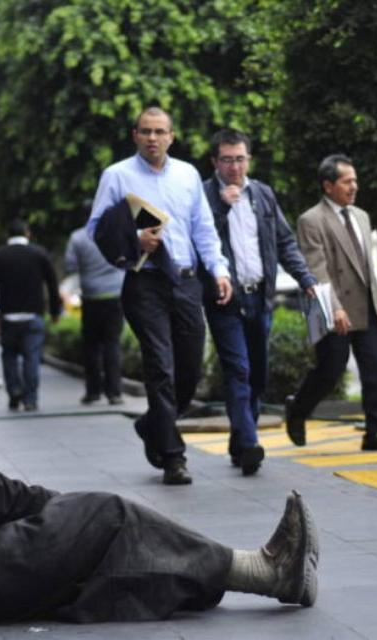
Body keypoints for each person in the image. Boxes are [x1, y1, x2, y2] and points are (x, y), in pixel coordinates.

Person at [0, 336, 319, 632]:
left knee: (94, 551)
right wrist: (45, 502)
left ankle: (235, 576)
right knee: (106, 513)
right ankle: (262, 571)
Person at [87, 107, 233, 486]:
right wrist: (135, 241)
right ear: (135, 134)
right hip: (144, 282)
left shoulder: (187, 176)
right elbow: (97, 229)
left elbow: (204, 229)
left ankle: (153, 423)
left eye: (160, 132)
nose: (153, 138)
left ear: (171, 136)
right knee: (160, 368)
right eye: (146, 131)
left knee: (190, 370)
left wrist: (218, 270)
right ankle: (173, 457)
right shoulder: (117, 176)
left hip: (186, 282)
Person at [202, 130, 317, 476]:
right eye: (227, 159)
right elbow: (202, 237)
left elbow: (284, 242)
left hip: (260, 297)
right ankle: (250, 443)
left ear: (248, 159)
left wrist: (306, 278)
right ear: (214, 162)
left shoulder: (262, 194)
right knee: (238, 370)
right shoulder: (205, 196)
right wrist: (223, 204)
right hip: (226, 300)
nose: (234, 166)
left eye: (240, 159)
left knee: (257, 376)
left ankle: (240, 442)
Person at [285, 154, 377, 451]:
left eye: (355, 180)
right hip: (332, 307)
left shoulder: (361, 216)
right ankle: (298, 409)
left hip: (368, 306)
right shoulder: (311, 220)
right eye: (347, 181)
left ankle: (375, 434)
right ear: (328, 186)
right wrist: (335, 307)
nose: (354, 187)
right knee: (330, 370)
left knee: (375, 372)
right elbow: (317, 269)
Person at [0, 219, 61, 412]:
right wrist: (54, 311)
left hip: (8, 317)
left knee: (9, 356)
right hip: (33, 316)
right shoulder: (39, 254)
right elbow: (52, 284)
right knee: (31, 357)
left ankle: (14, 392)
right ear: (27, 233)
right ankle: (30, 399)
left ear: (8, 235)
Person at [64, 223, 126, 406]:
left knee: (91, 346)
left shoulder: (78, 237)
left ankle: (93, 392)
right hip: (116, 294)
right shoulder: (116, 231)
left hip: (91, 296)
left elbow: (70, 265)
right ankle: (114, 393)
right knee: (112, 343)